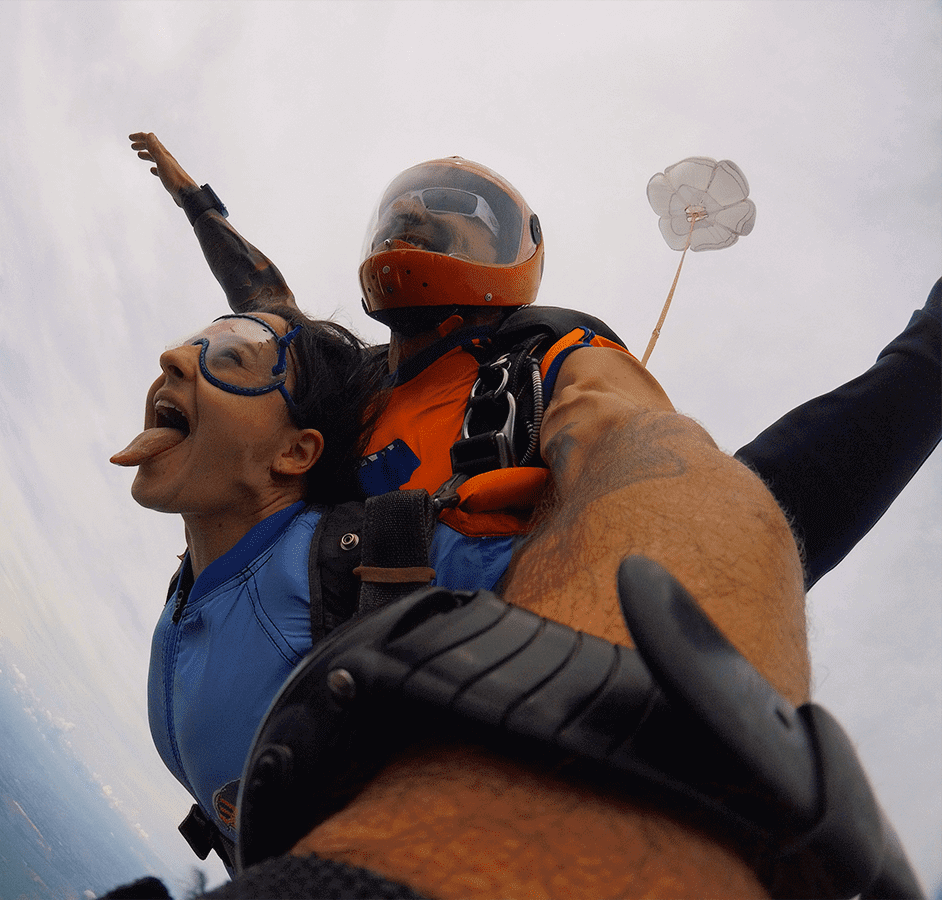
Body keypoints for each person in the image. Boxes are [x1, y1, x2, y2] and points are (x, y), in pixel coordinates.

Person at [127, 131, 940, 588]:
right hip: (287, 743)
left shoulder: (545, 364)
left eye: (452, 217)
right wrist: (199, 203)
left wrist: (926, 366)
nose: (417, 222)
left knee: (722, 537)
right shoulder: (356, 387)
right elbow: (271, 309)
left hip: (436, 737)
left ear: (515, 255)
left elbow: (687, 496)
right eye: (405, 212)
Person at [110, 307, 522, 863]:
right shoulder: (200, 576)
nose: (173, 358)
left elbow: (586, 575)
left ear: (295, 453)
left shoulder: (369, 566)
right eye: (193, 344)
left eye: (230, 359)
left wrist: (589, 398)